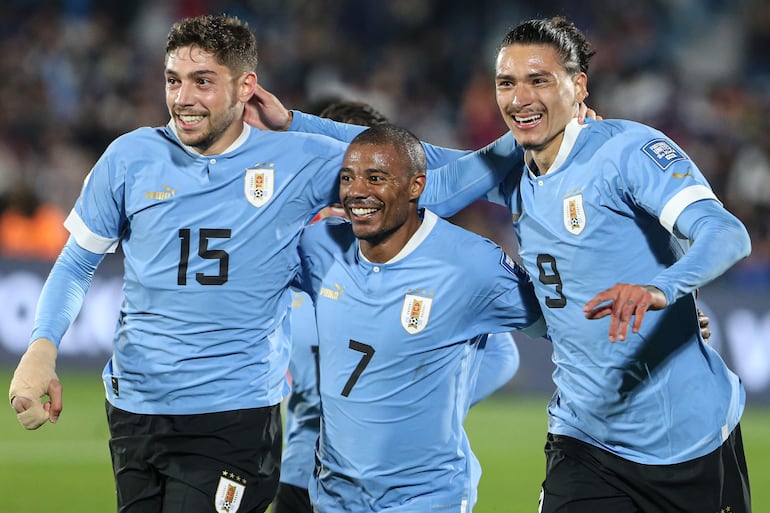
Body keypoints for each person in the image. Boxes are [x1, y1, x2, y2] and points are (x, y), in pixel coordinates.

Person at [6, 14, 521, 513]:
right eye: (173, 80)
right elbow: (76, 263)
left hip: (232, 417)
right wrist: (41, 347)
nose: (183, 99)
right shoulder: (129, 157)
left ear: (245, 86)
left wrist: (533, 133)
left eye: (202, 81)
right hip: (134, 409)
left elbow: (428, 176)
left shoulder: (296, 157)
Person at [439, 16, 752, 513]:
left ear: (577, 85)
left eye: (538, 79)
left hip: (693, 442)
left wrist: (661, 290)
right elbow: (414, 177)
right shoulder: (511, 168)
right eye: (507, 82)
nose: (519, 98)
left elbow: (726, 233)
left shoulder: (624, 152)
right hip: (584, 443)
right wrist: (295, 129)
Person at [273, 100, 522, 513]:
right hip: (310, 476)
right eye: (345, 177)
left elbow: (504, 352)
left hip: (410, 488)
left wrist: (414, 411)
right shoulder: (308, 253)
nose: (354, 193)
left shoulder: (449, 265)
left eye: (374, 175)